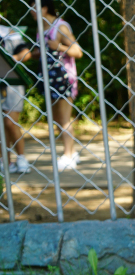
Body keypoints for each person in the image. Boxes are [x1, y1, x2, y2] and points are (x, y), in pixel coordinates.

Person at [31, 0, 81, 171]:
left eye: (33, 8)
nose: (31, 13)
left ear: (43, 8)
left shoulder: (61, 27)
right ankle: (71, 152)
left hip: (64, 79)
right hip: (48, 79)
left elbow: (77, 51)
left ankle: (68, 156)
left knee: (64, 119)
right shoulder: (41, 29)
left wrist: (58, 46)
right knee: (56, 120)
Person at [0, 23, 30, 173]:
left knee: (10, 122)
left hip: (12, 84)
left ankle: (21, 158)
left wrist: (9, 60)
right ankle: (5, 161)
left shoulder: (8, 32)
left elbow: (26, 52)